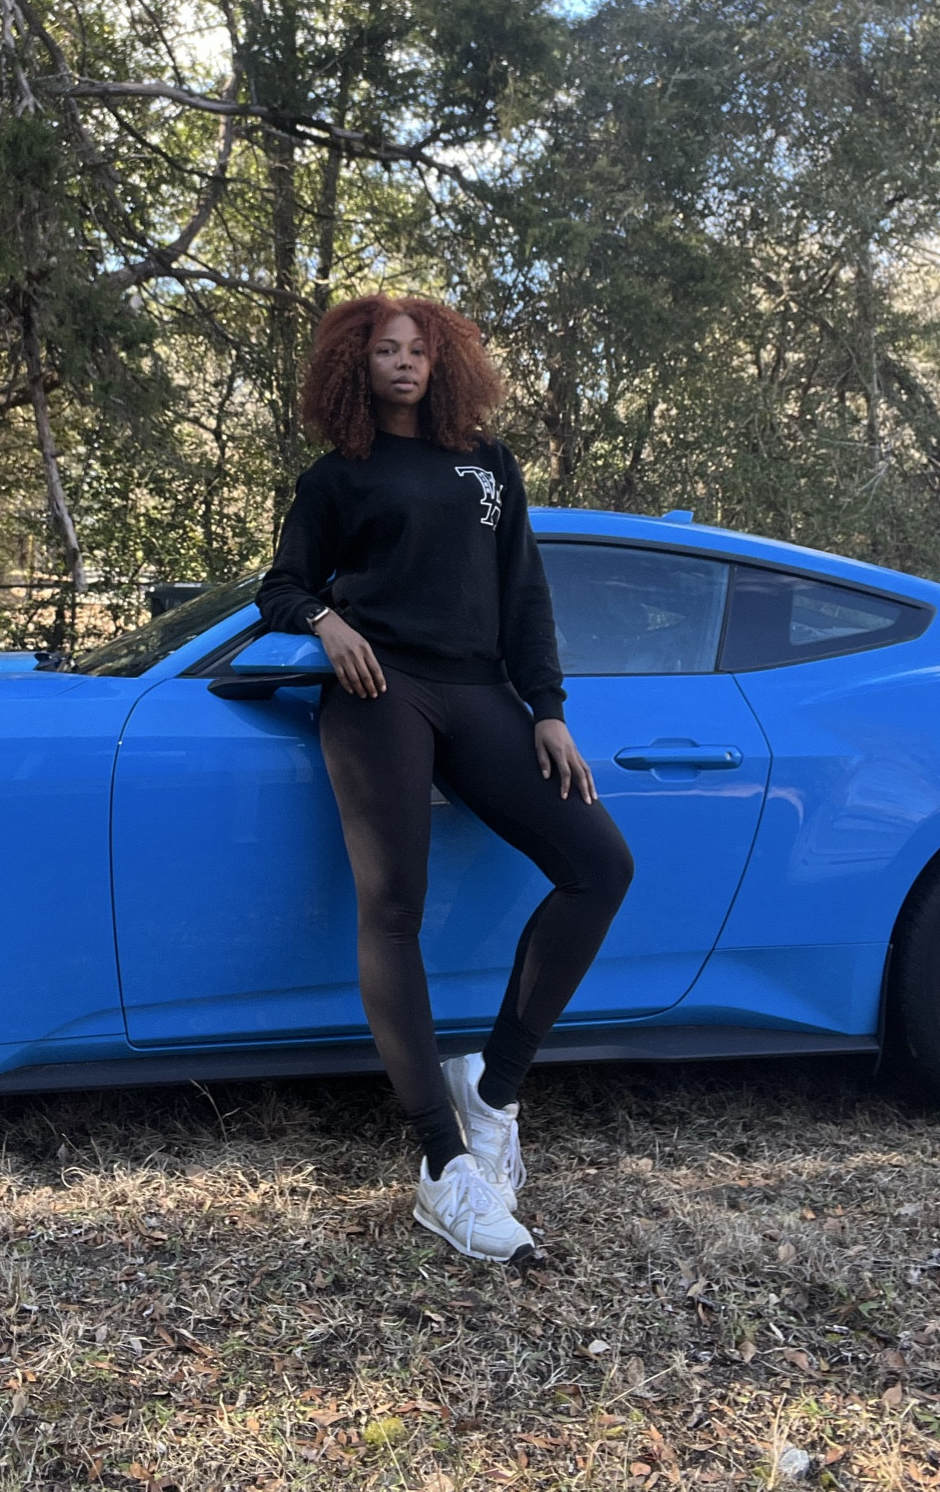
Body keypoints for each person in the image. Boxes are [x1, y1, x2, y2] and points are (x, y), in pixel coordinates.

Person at [257, 294, 635, 1263]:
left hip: (476, 692)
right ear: (354, 365)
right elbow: (283, 581)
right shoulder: (337, 475)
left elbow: (523, 594)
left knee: (599, 863)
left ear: (444, 360)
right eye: (383, 349)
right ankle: (440, 1165)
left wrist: (546, 707)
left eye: (417, 348)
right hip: (379, 688)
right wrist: (325, 623)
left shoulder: (487, 464)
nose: (402, 361)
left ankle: (494, 1088)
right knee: (393, 909)